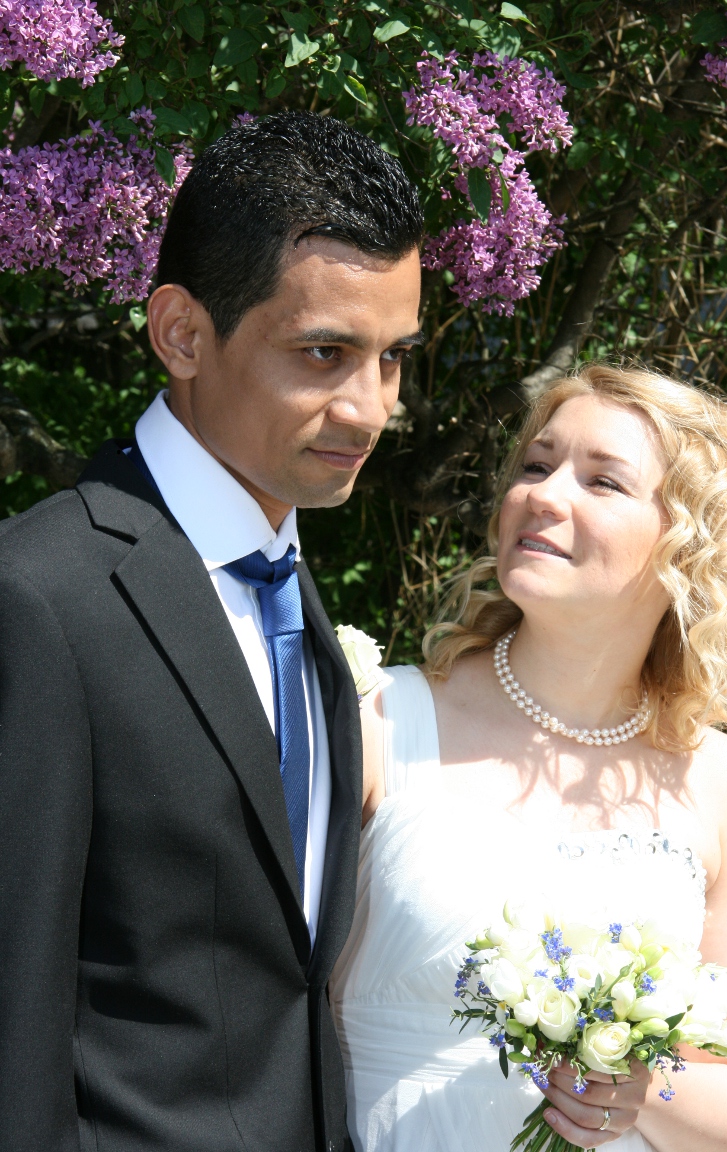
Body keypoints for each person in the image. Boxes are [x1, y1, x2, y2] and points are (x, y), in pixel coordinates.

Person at [0, 112, 423, 1152]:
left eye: (392, 358)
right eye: (324, 353)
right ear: (182, 331)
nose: (371, 409)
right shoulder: (37, 598)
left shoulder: (289, 587)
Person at [331, 363, 727, 1152]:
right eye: (536, 465)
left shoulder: (726, 786)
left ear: (686, 545)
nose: (543, 493)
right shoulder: (382, 721)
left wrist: (639, 1080)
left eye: (603, 482)